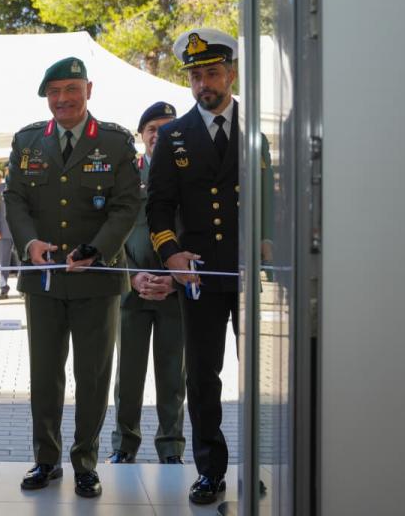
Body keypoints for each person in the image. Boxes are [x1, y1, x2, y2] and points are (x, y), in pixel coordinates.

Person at [4, 57, 140, 498]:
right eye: (54, 92)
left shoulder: (116, 142)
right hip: (43, 280)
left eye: (71, 90)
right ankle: (46, 460)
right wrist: (28, 244)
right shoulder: (27, 141)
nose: (62, 99)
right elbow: (14, 199)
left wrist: (98, 250)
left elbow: (127, 205)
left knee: (93, 377)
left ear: (89, 90)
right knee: (45, 376)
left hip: (96, 280)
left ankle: (85, 462)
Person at [146, 28, 270, 505]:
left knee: (256, 377)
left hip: (245, 274)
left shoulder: (256, 133)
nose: (204, 85)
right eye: (196, 77)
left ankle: (253, 465)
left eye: (212, 74)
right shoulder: (173, 136)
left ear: (231, 74)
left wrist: (267, 243)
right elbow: (158, 206)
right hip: (198, 275)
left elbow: (271, 201)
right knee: (202, 377)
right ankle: (210, 470)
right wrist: (171, 253)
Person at [107, 101, 186, 466]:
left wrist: (175, 280)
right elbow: (112, 232)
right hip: (132, 292)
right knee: (128, 375)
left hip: (174, 292)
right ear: (141, 135)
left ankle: (171, 447)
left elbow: (196, 232)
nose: (160, 134)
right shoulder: (126, 176)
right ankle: (124, 445)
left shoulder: (189, 175)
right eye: (153, 128)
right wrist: (131, 276)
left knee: (173, 375)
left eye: (167, 128)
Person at [0, 168, 18, 299]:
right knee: (3, 261)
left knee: (22, 260)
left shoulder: (23, 186)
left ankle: (23, 288)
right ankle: (3, 288)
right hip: (3, 229)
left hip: (20, 230)